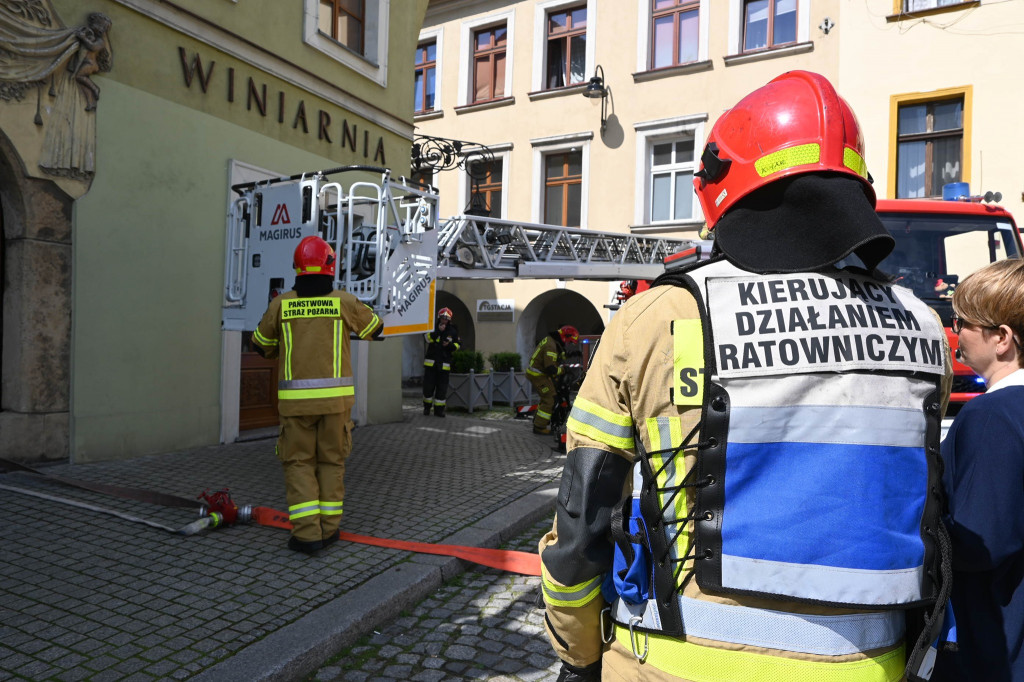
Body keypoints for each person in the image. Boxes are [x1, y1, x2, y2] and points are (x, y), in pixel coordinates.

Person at [539, 71, 954, 682]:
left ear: (720, 184)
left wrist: (577, 654)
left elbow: (583, 515)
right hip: (874, 665)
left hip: (674, 663)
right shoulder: (920, 325)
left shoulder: (661, 315)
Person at [252, 235, 382, 554]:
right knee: (332, 463)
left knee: (298, 464)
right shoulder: (343, 302)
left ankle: (308, 536)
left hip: (296, 407)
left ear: (297, 267)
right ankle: (330, 530)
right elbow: (376, 328)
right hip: (336, 406)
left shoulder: (281, 304)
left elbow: (261, 345)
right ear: (330, 266)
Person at [933, 258, 1024, 682]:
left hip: (996, 641)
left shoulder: (991, 415)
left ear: (1002, 338)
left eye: (963, 321)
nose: (957, 333)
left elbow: (981, 542)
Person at [527, 325, 578, 435]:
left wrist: (572, 354)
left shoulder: (553, 341)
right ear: (565, 337)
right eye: (569, 342)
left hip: (540, 374)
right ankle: (539, 427)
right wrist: (563, 370)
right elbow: (551, 368)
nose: (568, 344)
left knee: (547, 398)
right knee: (550, 399)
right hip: (538, 375)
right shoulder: (551, 345)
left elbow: (559, 355)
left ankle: (538, 422)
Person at [422, 307, 461, 417]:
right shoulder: (432, 327)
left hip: (444, 366)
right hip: (431, 364)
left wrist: (449, 345)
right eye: (442, 318)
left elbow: (458, 345)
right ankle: (427, 408)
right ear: (439, 318)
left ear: (449, 319)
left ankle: (439, 410)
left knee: (442, 389)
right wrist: (438, 331)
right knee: (428, 388)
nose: (444, 320)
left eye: (446, 318)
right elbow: (427, 339)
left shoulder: (453, 331)